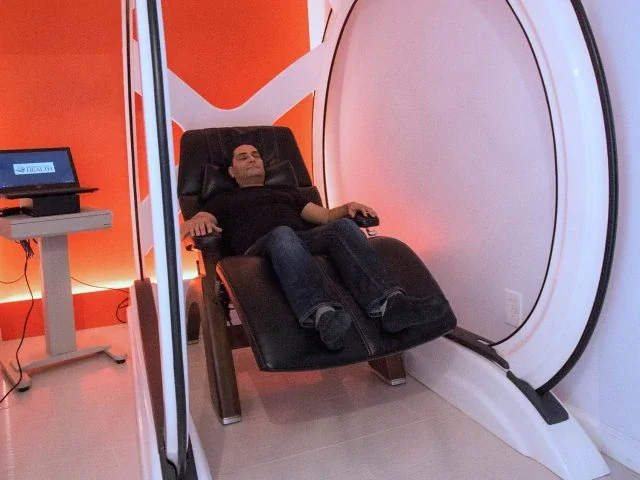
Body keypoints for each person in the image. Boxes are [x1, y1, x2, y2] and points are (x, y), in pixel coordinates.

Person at [181, 144, 449, 350]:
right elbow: (201, 220)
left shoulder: (286, 192)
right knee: (283, 234)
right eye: (243, 157)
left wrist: (348, 207)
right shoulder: (223, 199)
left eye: (256, 155)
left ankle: (391, 306)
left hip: (300, 242)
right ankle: (323, 316)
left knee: (342, 226)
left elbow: (326, 217)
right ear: (231, 172)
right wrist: (197, 222)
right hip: (257, 253)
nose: (252, 159)